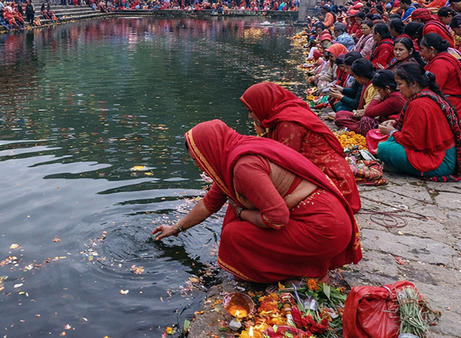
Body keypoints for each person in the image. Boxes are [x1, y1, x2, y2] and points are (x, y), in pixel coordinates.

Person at [152, 120, 361, 283]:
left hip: (325, 231)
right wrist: (176, 228)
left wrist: (242, 214)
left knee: (234, 234)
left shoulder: (244, 167)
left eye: (198, 159)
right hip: (329, 221)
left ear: (209, 151)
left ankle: (295, 273)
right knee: (237, 206)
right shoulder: (232, 156)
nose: (198, 166)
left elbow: (277, 219)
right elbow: (209, 203)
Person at [240, 82, 360, 212]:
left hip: (334, 181)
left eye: (251, 111)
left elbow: (284, 163)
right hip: (332, 172)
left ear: (262, 105)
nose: (250, 116)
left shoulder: (288, 122)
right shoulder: (283, 113)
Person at [377, 63, 461, 181]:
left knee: (384, 149)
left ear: (414, 83)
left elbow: (412, 142)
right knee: (389, 141)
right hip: (443, 155)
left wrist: (392, 132)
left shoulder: (419, 104)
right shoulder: (425, 96)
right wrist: (395, 123)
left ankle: (403, 166)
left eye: (400, 84)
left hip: (441, 161)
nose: (397, 88)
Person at [420, 33, 461, 119]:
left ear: (431, 49)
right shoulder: (444, 58)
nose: (420, 53)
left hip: (453, 107)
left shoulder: (440, 64)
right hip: (454, 105)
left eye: (422, 49)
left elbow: (433, 89)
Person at [334, 59, 377, 134]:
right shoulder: (364, 84)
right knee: (339, 114)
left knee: (341, 116)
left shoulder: (372, 87)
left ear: (362, 77)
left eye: (355, 76)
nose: (354, 78)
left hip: (370, 118)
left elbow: (369, 110)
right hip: (361, 112)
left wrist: (341, 96)